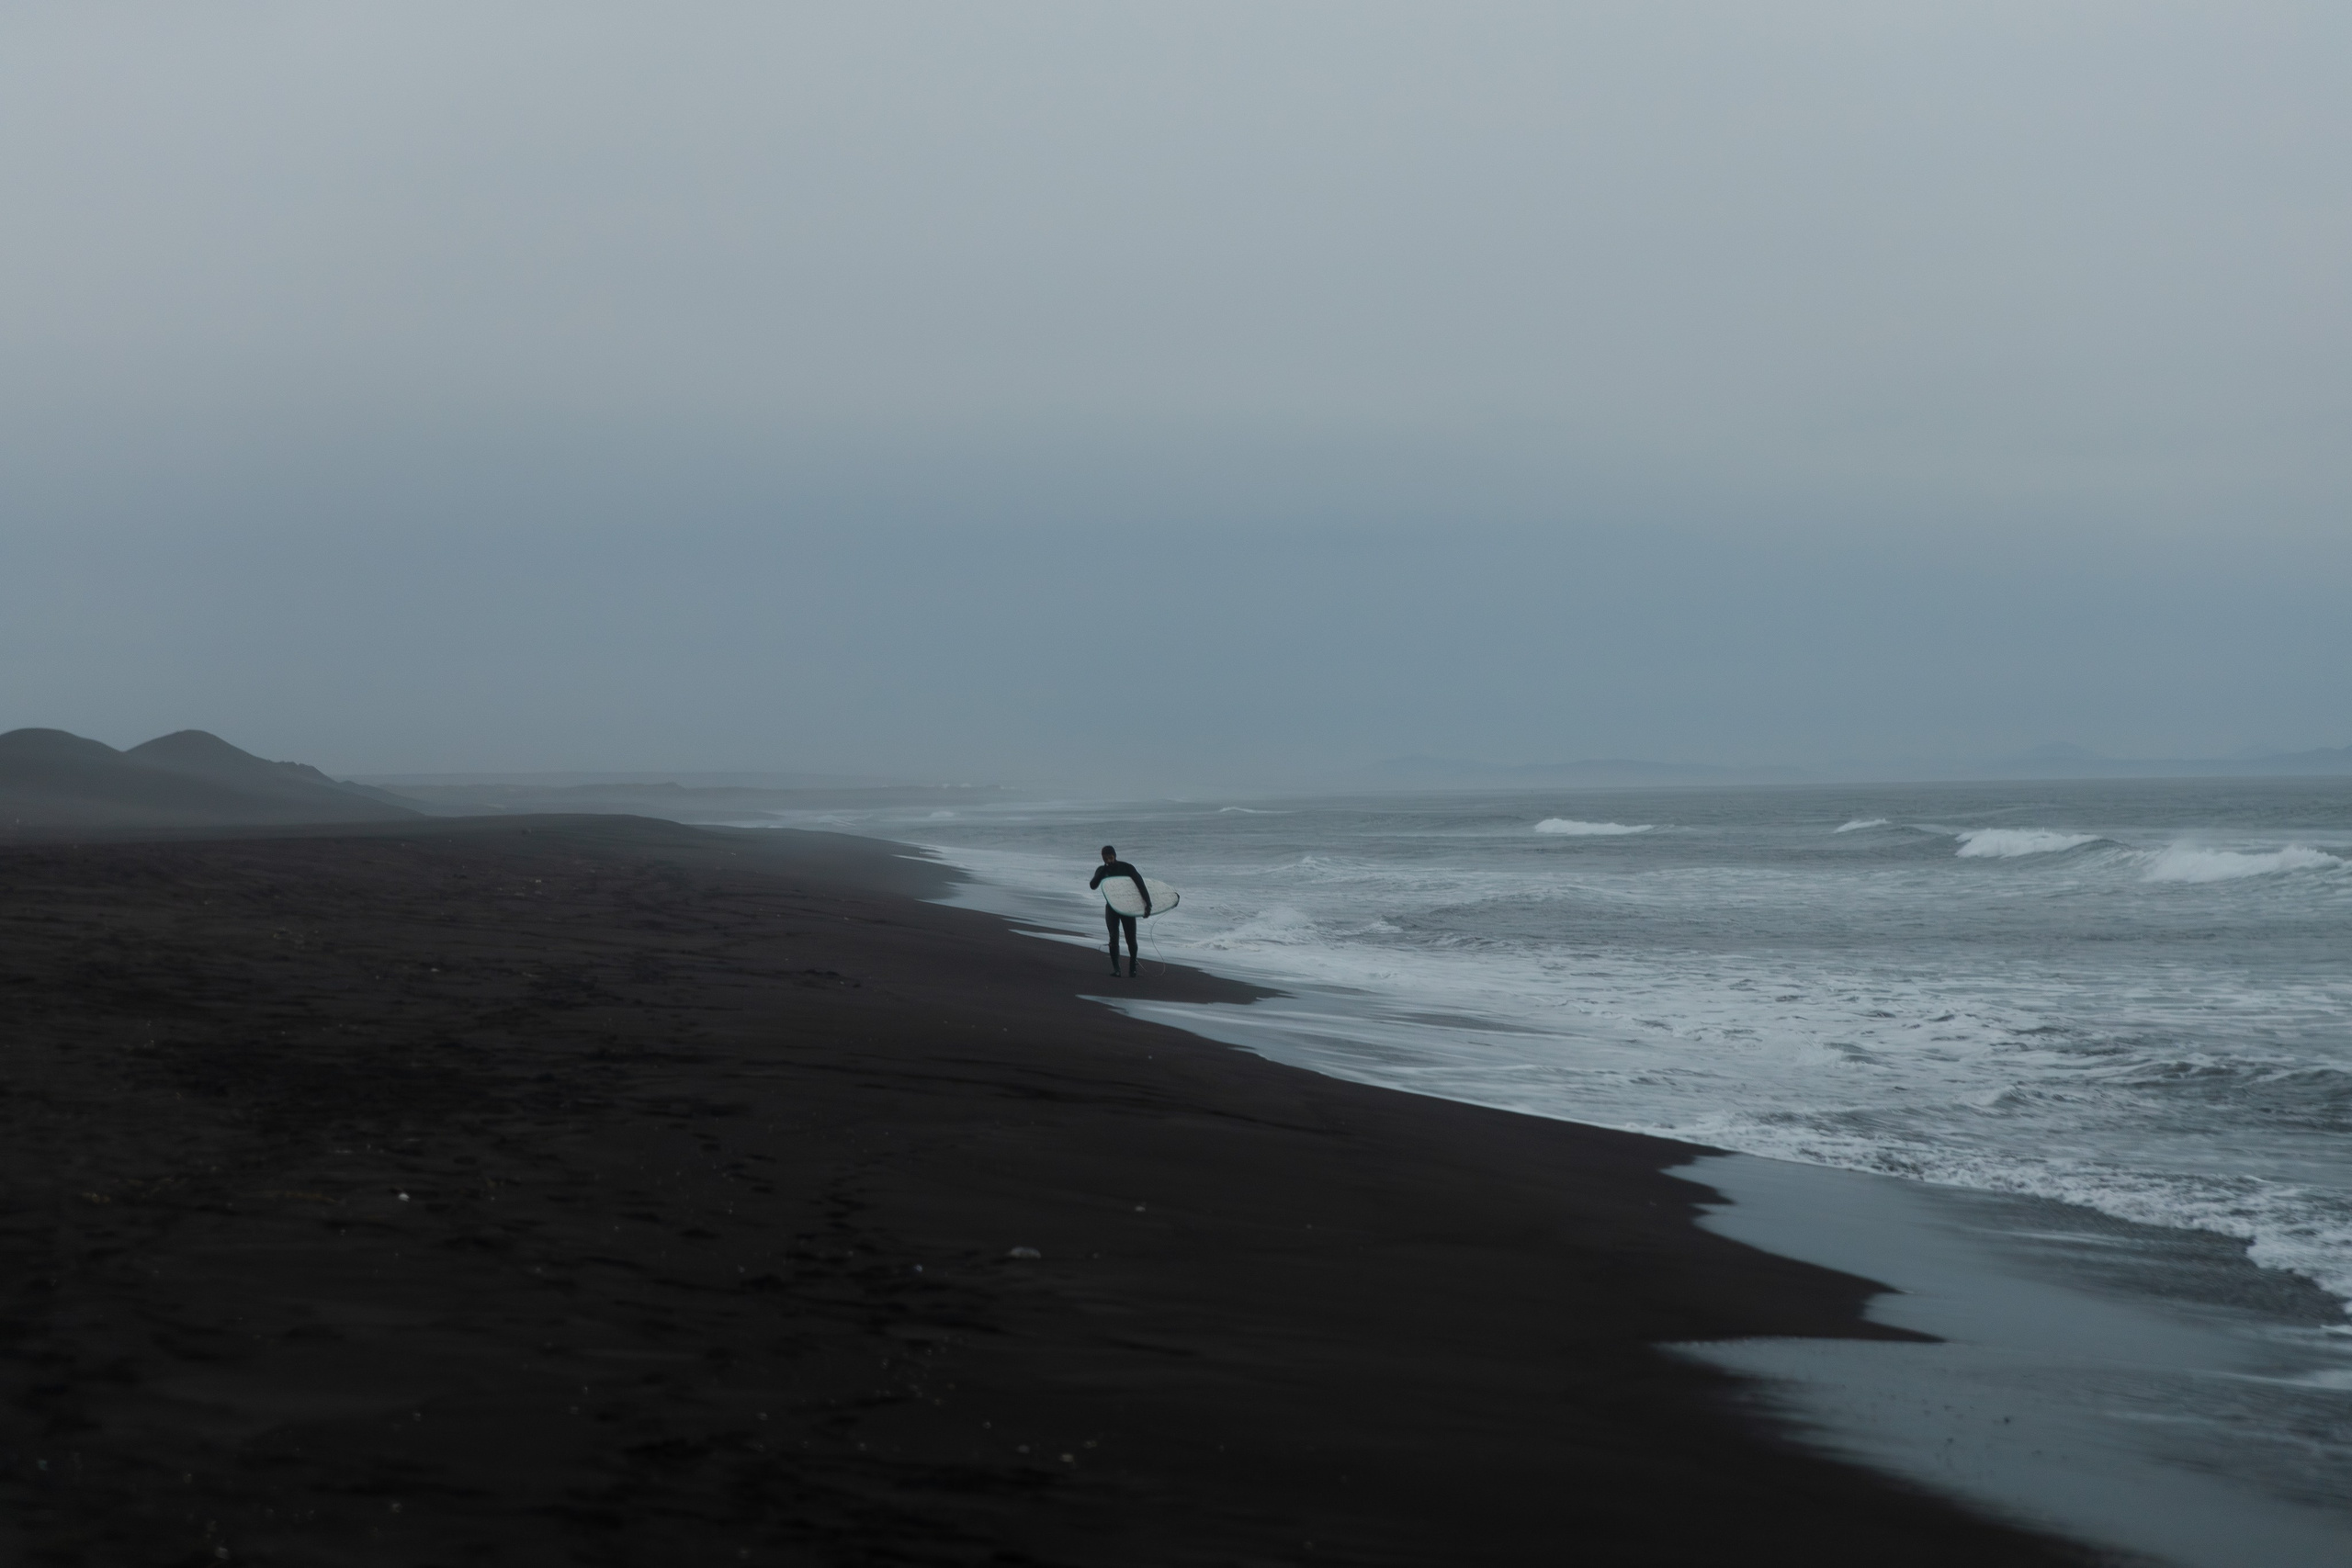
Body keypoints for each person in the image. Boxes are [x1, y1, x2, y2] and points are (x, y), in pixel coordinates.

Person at [1090, 844, 1150, 976]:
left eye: (1110, 858)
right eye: (1105, 859)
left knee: (1131, 939)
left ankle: (1132, 967)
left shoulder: (1127, 867)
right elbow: (1093, 886)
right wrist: (1101, 874)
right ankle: (1117, 969)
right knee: (1113, 938)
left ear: (1115, 856)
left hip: (1127, 908)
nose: (1108, 861)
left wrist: (1148, 904)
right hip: (1111, 908)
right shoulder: (1101, 870)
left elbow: (1140, 885)